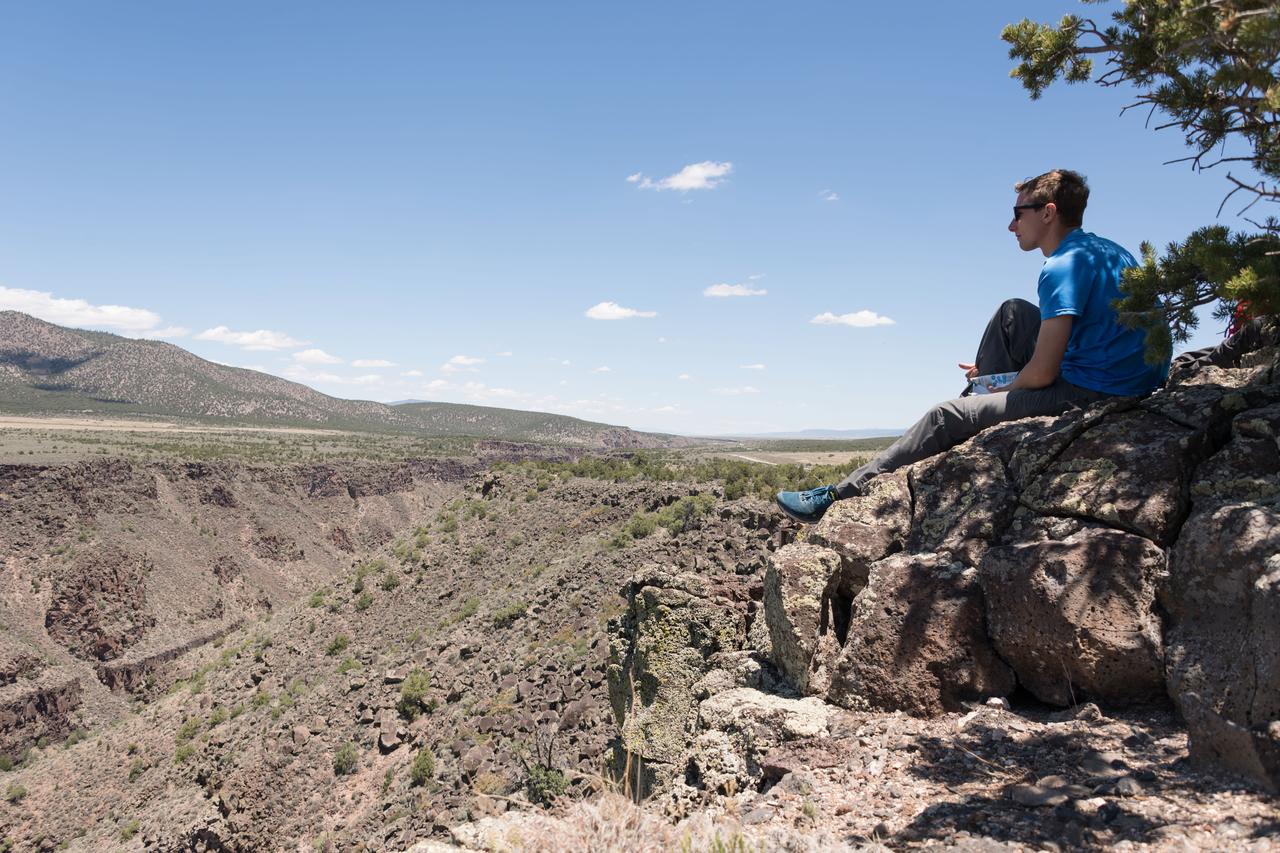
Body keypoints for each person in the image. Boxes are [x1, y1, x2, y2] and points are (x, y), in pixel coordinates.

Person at [776, 169, 1170, 524]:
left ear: (1048, 213)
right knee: (1012, 314)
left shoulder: (1060, 266)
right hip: (1127, 375)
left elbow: (1045, 373)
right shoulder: (1107, 251)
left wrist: (1006, 387)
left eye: (1019, 213)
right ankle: (979, 403)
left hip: (1097, 392)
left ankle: (837, 496)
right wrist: (996, 382)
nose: (1011, 225)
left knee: (943, 416)